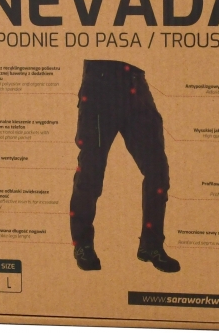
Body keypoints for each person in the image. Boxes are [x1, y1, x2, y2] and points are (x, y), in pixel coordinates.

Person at [69, 60, 180, 273]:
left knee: (157, 172)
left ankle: (151, 246)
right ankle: (82, 245)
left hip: (137, 83)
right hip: (100, 82)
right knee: (91, 171)